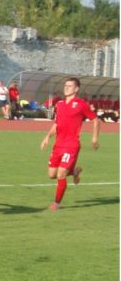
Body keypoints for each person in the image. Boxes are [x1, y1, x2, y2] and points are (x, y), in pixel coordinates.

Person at [40, 77, 100, 211]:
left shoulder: (81, 104)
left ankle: (56, 203)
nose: (66, 88)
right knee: (51, 175)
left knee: (61, 175)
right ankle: (74, 171)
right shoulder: (59, 104)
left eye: (70, 86)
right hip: (58, 145)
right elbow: (57, 123)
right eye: (65, 85)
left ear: (76, 89)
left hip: (71, 145)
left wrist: (94, 138)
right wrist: (47, 137)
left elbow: (96, 120)